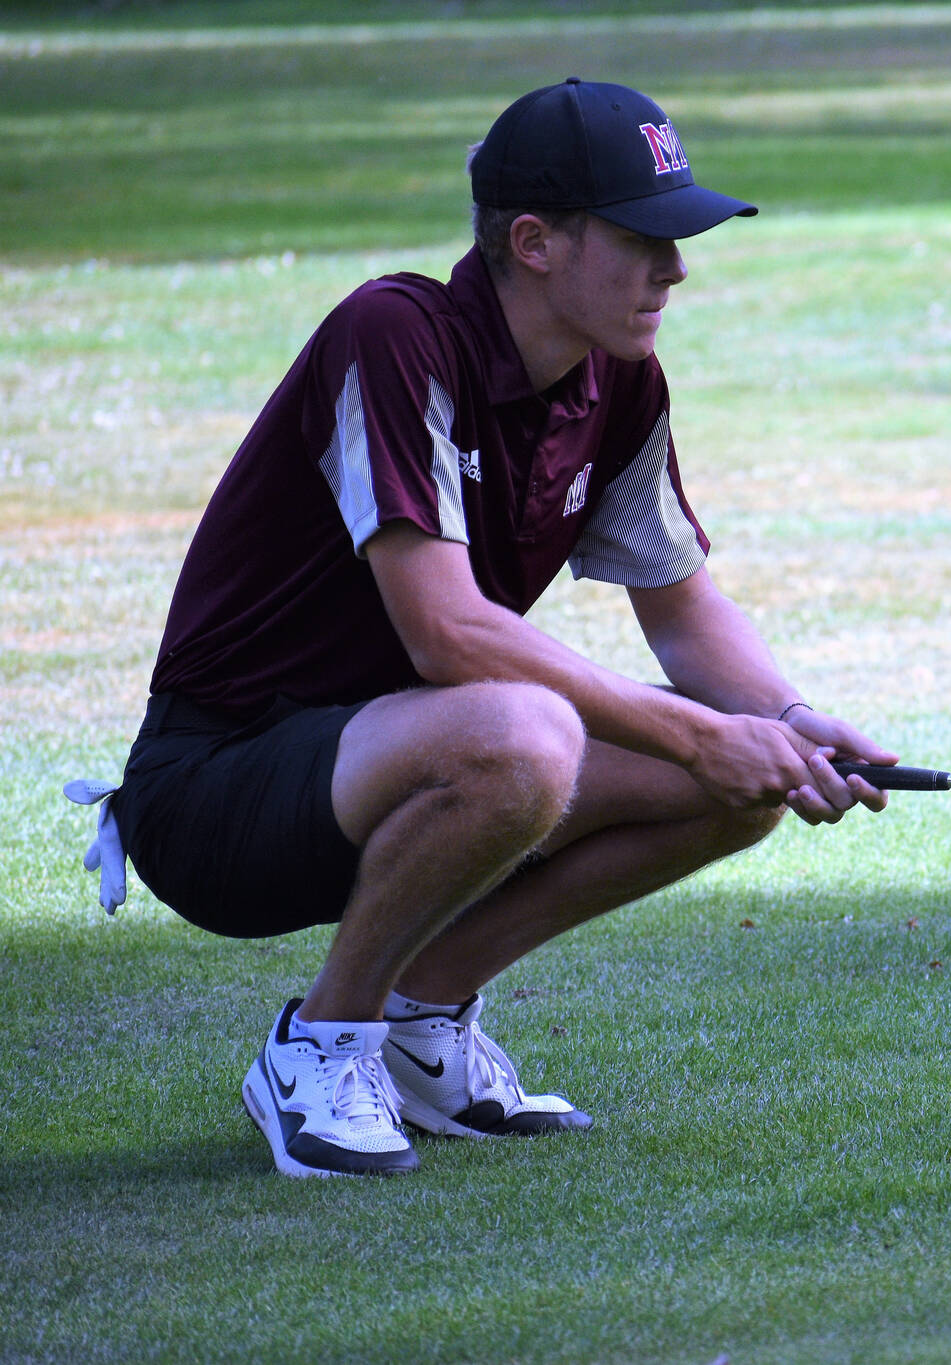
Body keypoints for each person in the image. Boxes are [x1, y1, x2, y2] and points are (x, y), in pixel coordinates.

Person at [101, 78, 895, 1179]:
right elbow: (446, 635)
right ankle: (323, 1043)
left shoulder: (617, 383)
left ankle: (424, 1028)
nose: (675, 268)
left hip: (405, 759)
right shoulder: (391, 336)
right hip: (218, 791)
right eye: (644, 238)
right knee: (527, 735)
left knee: (737, 779)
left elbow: (683, 609)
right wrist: (698, 732)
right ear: (535, 242)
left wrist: (789, 722)